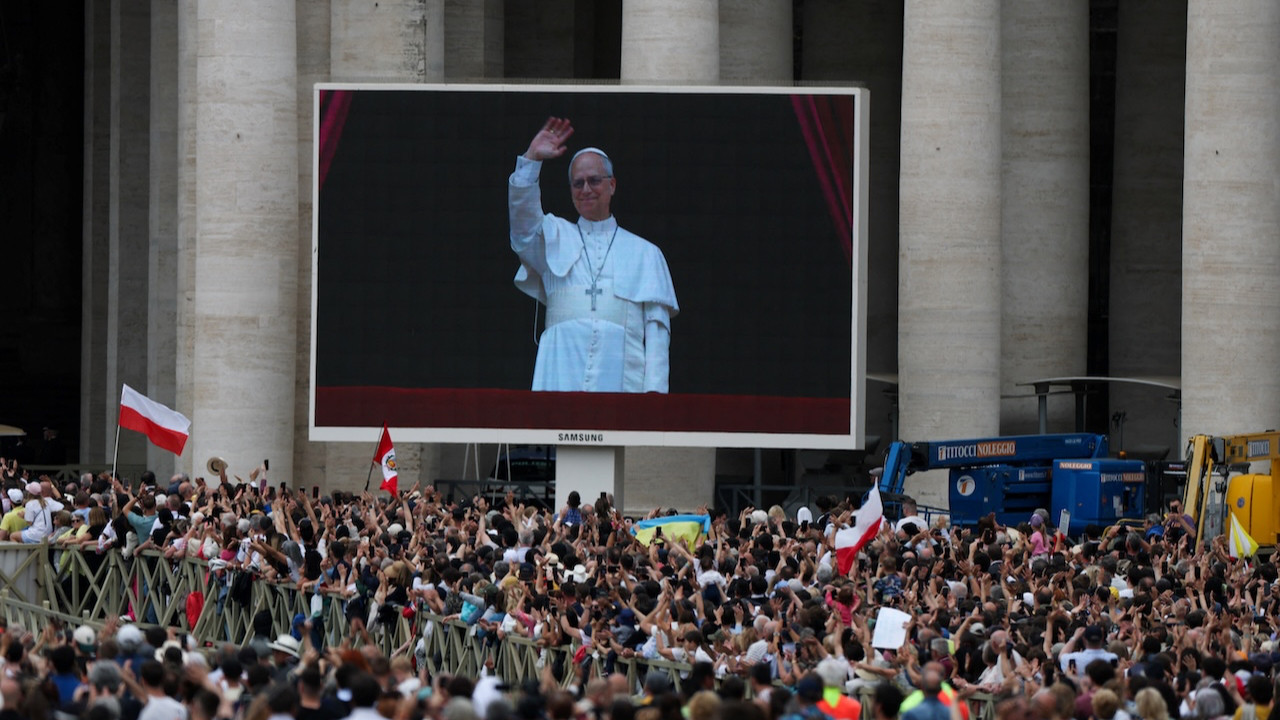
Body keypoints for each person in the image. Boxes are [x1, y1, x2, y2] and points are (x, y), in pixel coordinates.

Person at [508, 116, 679, 393]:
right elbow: (522, 226)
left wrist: (654, 398)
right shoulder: (552, 235)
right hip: (560, 373)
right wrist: (531, 160)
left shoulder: (646, 253)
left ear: (612, 185)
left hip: (622, 379)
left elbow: (657, 333)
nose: (586, 189)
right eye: (578, 183)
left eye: (594, 180)